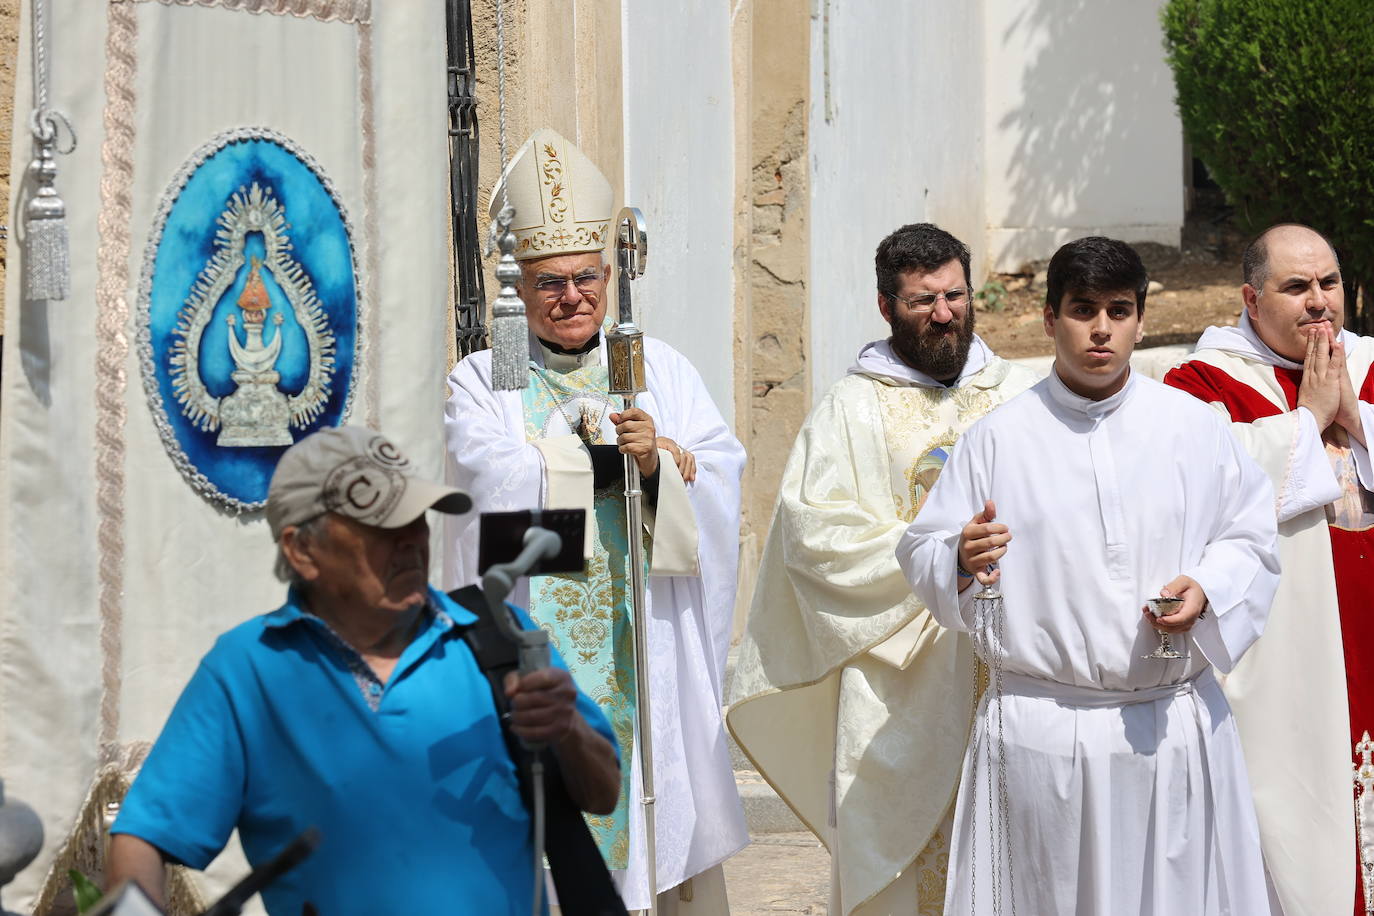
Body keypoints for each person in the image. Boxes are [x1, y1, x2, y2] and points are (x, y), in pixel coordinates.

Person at [897, 237, 1280, 915]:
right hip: (1041, 740)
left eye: (1119, 310)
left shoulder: (1191, 428)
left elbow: (1250, 533)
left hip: (1168, 729)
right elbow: (922, 547)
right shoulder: (997, 440)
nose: (1101, 329)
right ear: (1049, 318)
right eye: (1082, 309)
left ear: (1138, 320)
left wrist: (1209, 587)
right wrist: (959, 557)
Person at [103, 426, 620, 915]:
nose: (412, 540)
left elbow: (604, 793)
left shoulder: (499, 636)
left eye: (418, 517)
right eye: (382, 527)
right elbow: (144, 838)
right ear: (302, 550)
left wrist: (568, 728)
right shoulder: (247, 670)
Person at [444, 128, 747, 913]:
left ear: (610, 275)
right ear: (520, 288)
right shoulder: (486, 379)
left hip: (645, 636)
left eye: (586, 278)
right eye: (550, 283)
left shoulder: (658, 369)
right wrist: (606, 447)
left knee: (652, 829)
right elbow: (492, 484)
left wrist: (658, 463)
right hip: (541, 642)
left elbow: (720, 470)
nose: (572, 297)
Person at [727, 222, 1036, 915]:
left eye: (954, 295)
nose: (944, 313)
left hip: (1016, 666)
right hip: (905, 681)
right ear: (886, 306)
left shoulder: (1022, 393)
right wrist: (940, 559)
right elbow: (814, 536)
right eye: (922, 300)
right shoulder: (852, 408)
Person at [1164, 222, 1374, 916]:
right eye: (1296, 287)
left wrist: (1357, 418)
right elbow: (1200, 483)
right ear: (1251, 301)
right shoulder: (1201, 381)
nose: (1319, 302)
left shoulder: (1366, 364)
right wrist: (1306, 420)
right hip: (1290, 656)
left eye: (1329, 283)